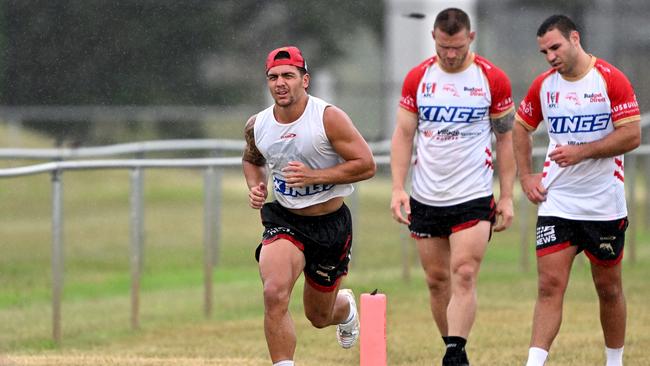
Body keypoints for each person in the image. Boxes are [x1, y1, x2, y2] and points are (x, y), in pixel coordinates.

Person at [512, 15, 641, 366]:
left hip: (603, 205)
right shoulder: (544, 86)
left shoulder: (610, 79)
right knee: (549, 287)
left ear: (574, 38)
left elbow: (632, 135)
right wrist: (526, 176)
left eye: (555, 47)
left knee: (609, 289)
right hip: (558, 202)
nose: (550, 56)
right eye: (544, 52)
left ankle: (614, 362)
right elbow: (520, 127)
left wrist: (581, 152)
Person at [390, 8, 516, 366]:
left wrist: (506, 195)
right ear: (434, 37)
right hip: (427, 197)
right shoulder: (418, 78)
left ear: (470, 39)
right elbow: (403, 134)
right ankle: (452, 344)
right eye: (444, 46)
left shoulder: (492, 79)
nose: (450, 54)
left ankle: (455, 353)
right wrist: (398, 188)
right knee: (436, 281)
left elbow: (505, 140)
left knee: (464, 272)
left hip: (473, 195)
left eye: (457, 47)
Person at [242, 45, 376, 366]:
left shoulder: (328, 117)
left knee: (318, 315)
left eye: (288, 75)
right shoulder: (257, 125)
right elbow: (251, 159)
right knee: (274, 293)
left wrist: (315, 175)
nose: (280, 83)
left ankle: (344, 307)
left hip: (330, 224)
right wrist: (256, 186)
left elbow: (366, 164)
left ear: (305, 80)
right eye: (273, 77)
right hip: (285, 219)